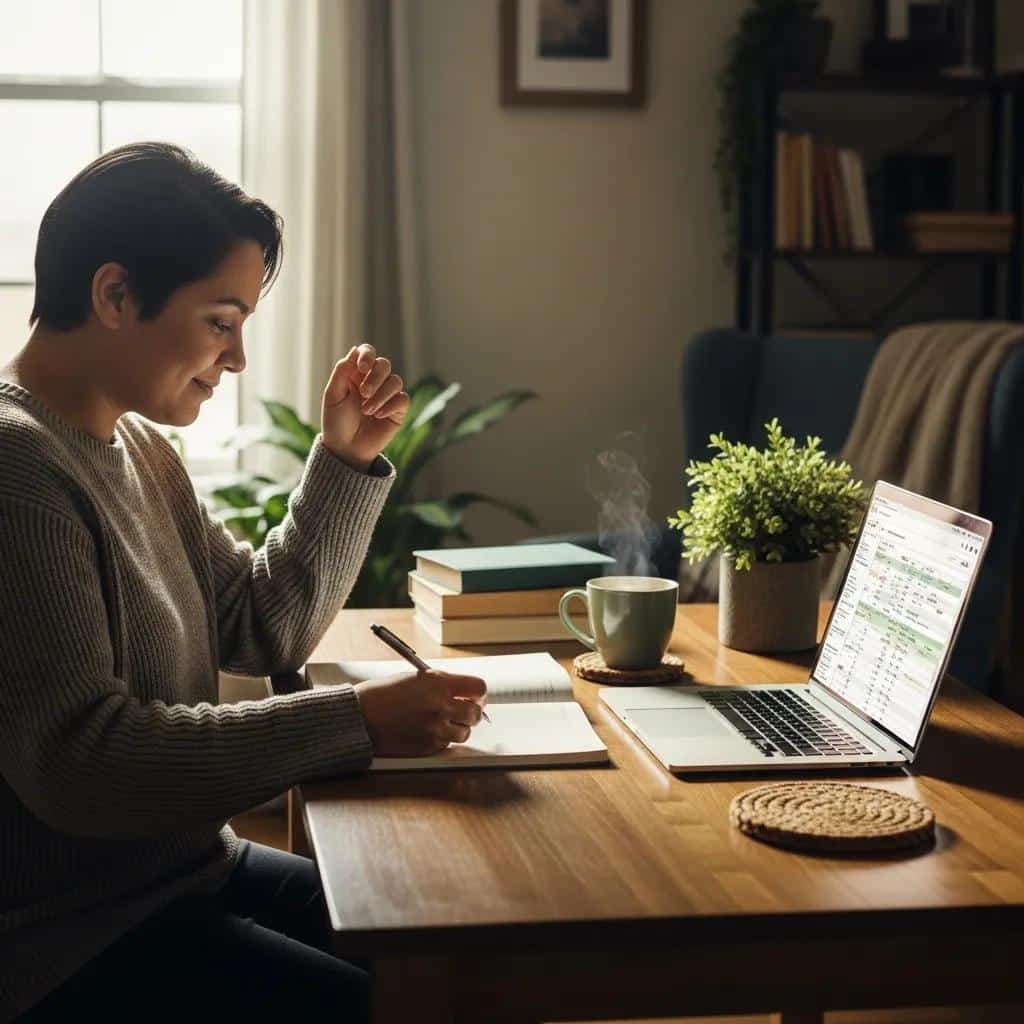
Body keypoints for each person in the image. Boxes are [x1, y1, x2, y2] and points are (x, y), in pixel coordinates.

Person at [0, 142, 486, 1022]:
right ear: (114, 295)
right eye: (221, 321)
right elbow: (83, 766)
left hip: (183, 878)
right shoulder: (14, 466)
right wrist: (353, 722)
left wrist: (344, 457)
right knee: (423, 1000)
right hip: (68, 938)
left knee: (470, 960)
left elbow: (264, 625)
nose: (238, 360)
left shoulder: (141, 449)